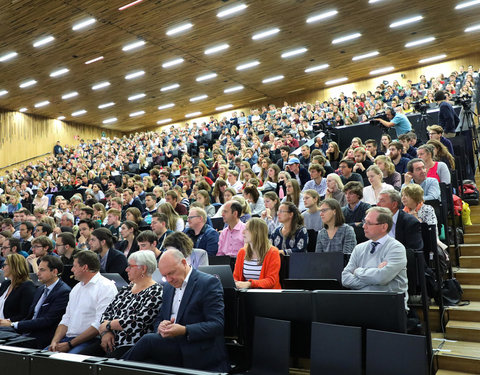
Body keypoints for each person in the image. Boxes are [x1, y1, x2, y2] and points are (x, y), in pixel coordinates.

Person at [122, 250, 229, 372]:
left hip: (197, 346)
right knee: (144, 364)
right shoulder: (168, 286)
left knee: (148, 341)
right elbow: (160, 318)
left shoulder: (208, 283)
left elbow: (217, 325)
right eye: (164, 276)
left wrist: (184, 330)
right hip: (173, 345)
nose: (169, 279)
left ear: (184, 263)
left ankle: (110, 368)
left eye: (171, 273)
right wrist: (161, 327)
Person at [84, 251, 163, 358]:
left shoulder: (156, 292)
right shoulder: (126, 289)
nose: (126, 269)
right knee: (79, 360)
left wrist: (108, 325)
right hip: (109, 339)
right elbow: (107, 313)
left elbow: (138, 321)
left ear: (143, 269)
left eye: (130, 266)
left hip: (132, 345)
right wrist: (105, 333)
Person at [48, 251, 118, 354]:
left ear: (84, 267)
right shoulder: (77, 288)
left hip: (90, 340)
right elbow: (66, 319)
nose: (72, 269)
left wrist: (70, 344)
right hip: (69, 339)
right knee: (43, 357)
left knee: (65, 362)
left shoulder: (106, 287)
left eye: (74, 266)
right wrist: (54, 341)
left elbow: (100, 323)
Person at [341, 207, 409, 310]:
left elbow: (381, 277)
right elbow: (345, 278)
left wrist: (358, 272)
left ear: (384, 227)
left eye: (369, 223)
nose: (364, 226)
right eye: (364, 222)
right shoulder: (359, 248)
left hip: (389, 306)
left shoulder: (396, 248)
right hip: (361, 304)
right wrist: (375, 274)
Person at [0, 255, 71, 349]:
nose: (37, 273)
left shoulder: (63, 292)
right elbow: (30, 316)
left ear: (54, 272)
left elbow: (47, 320)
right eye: (38, 269)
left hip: (42, 335)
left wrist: (13, 324)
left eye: (42, 270)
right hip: (27, 331)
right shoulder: (41, 289)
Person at [233, 218, 281, 289]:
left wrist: (249, 284)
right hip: (246, 295)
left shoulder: (273, 252)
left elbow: (271, 281)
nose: (243, 232)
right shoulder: (242, 252)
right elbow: (236, 277)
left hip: (268, 295)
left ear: (256, 232)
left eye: (247, 229)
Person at [377, 189, 423, 254]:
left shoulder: (410, 222)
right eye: (378, 201)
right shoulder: (376, 221)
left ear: (394, 205)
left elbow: (414, 251)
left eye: (382, 201)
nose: (377, 204)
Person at [0, 254, 36, 322]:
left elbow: (25, 315)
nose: (2, 268)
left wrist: (8, 321)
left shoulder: (27, 286)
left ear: (14, 267)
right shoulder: (6, 284)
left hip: (10, 327)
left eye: (4, 265)